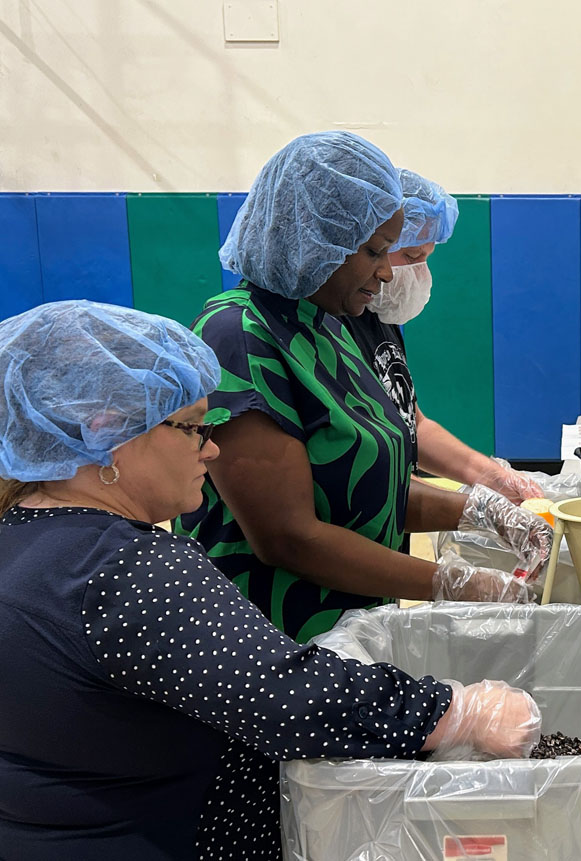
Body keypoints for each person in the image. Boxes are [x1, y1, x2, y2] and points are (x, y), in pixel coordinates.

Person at [0, 300, 540, 860]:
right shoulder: (127, 568)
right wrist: (455, 711)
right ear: (107, 434)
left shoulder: (26, 538)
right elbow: (291, 697)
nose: (210, 448)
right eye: (191, 429)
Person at [179, 132, 554, 642]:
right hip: (278, 640)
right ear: (314, 241)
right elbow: (290, 537)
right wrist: (457, 583)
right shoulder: (240, 336)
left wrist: (484, 510)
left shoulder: (330, 324)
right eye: (377, 251)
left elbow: (366, 490)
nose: (385, 272)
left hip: (356, 631)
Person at [340, 168, 544, 503]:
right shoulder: (330, 326)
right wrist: (471, 510)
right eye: (411, 256)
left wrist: (493, 477)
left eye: (426, 259)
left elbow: (411, 425)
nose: (414, 273)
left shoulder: (378, 316)